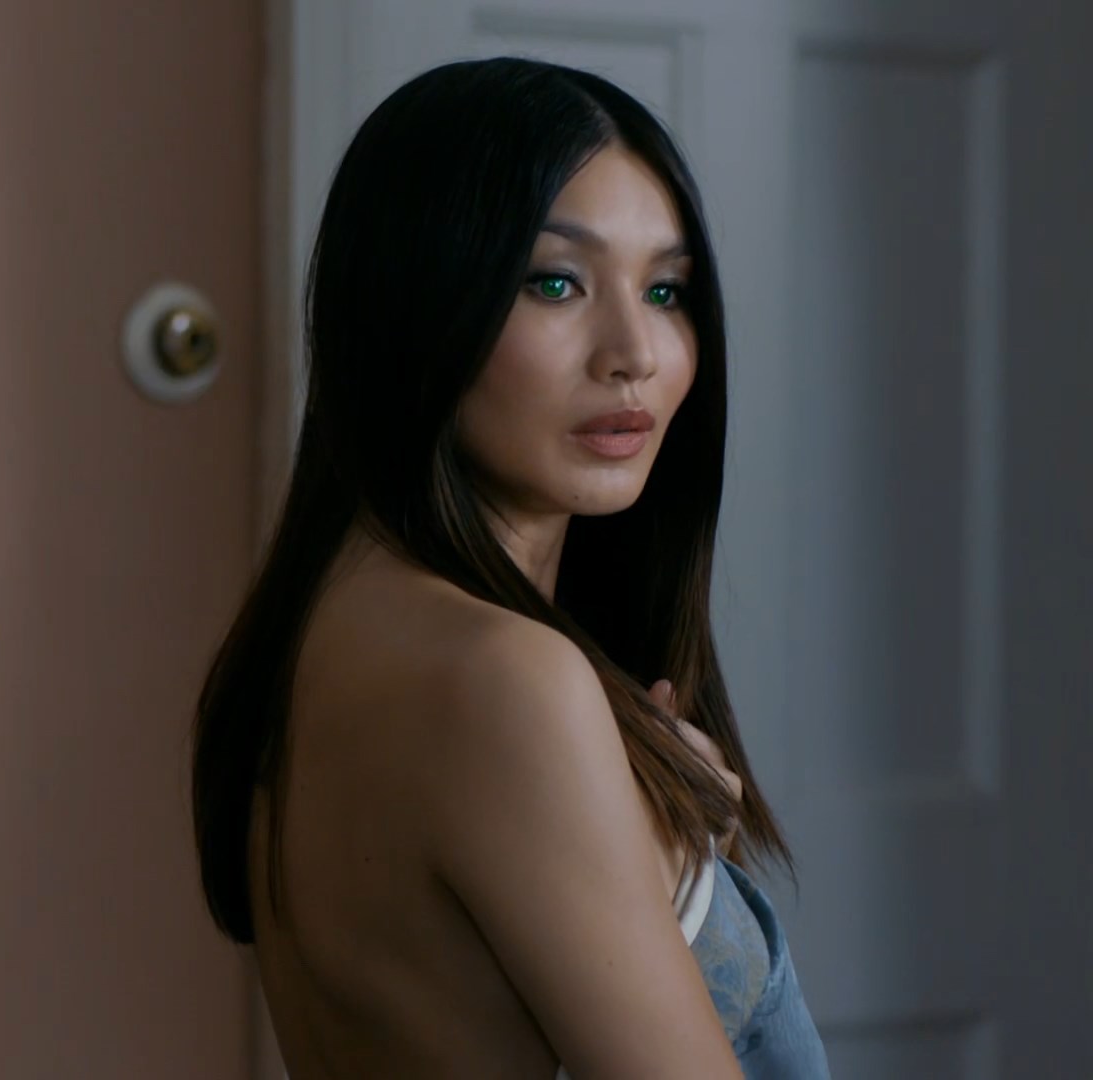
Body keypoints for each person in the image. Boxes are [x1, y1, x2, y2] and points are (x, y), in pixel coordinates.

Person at [191, 58, 832, 1078]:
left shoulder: (324, 628)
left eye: (666, 290)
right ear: (418, 302)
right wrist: (671, 858)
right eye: (555, 282)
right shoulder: (504, 680)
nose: (634, 352)